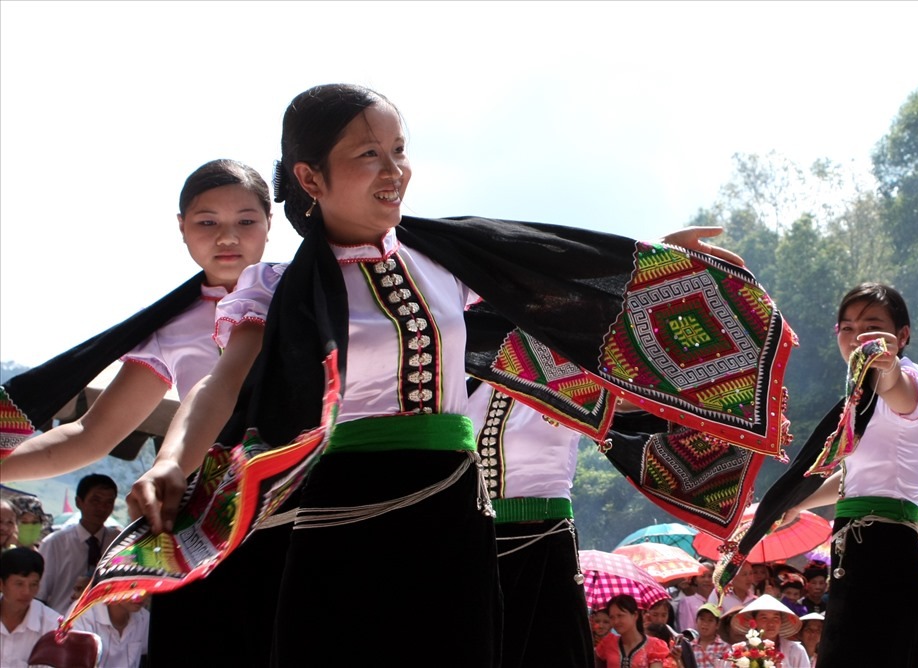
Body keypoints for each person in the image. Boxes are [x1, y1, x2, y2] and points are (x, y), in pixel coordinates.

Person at [126, 83, 746, 665]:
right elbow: (222, 382)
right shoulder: (280, 289)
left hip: (452, 520)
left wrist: (667, 259)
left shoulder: (445, 261)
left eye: (399, 150)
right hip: (335, 520)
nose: (395, 170)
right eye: (369, 154)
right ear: (311, 177)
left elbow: (564, 293)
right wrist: (172, 463)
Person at [0, 159, 272, 482]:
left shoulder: (304, 290)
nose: (227, 237)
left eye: (245, 221)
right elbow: (91, 434)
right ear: (182, 227)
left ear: (269, 223)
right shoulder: (170, 327)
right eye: (207, 223)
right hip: (222, 506)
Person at [783, 282, 918, 667]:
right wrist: (796, 506)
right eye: (847, 328)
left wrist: (889, 369)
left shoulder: (911, 380)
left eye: (872, 326)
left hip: (886, 551)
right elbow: (854, 481)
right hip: (854, 552)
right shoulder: (859, 399)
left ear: (902, 335)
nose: (857, 337)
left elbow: (899, 391)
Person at [465, 380, 592, 666]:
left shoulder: (568, 372)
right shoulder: (465, 377)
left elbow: (631, 405)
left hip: (545, 541)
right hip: (478, 547)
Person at [36, 474, 120, 614]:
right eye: (95, 500)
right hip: (60, 622)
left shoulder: (118, 543)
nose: (102, 508)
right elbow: (39, 595)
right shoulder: (54, 543)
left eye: (108, 502)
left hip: (104, 627)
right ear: (78, 502)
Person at [0, 547, 61, 668]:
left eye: (33, 584)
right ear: (1, 584)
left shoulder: (52, 624)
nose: (27, 592)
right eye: (19, 584)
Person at [730, 594, 810, 668]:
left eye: (776, 618)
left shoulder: (796, 651)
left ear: (781, 621)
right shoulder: (742, 651)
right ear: (755, 622)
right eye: (764, 618)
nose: (771, 624)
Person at [73, 595, 150, 668]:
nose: (142, 594)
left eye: (146, 587)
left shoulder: (144, 618)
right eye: (133, 586)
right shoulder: (83, 613)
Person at [595, 594, 670, 668]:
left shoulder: (654, 646)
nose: (616, 621)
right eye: (612, 617)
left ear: (635, 615)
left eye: (620, 616)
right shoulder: (608, 643)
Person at [676, 561, 715, 632]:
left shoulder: (719, 600)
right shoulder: (687, 602)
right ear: (695, 580)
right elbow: (687, 631)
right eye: (702, 576)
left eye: (710, 576)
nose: (707, 580)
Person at [690, 603, 731, 668]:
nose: (705, 623)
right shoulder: (690, 647)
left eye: (710, 620)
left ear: (717, 625)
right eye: (702, 619)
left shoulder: (724, 647)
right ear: (696, 621)